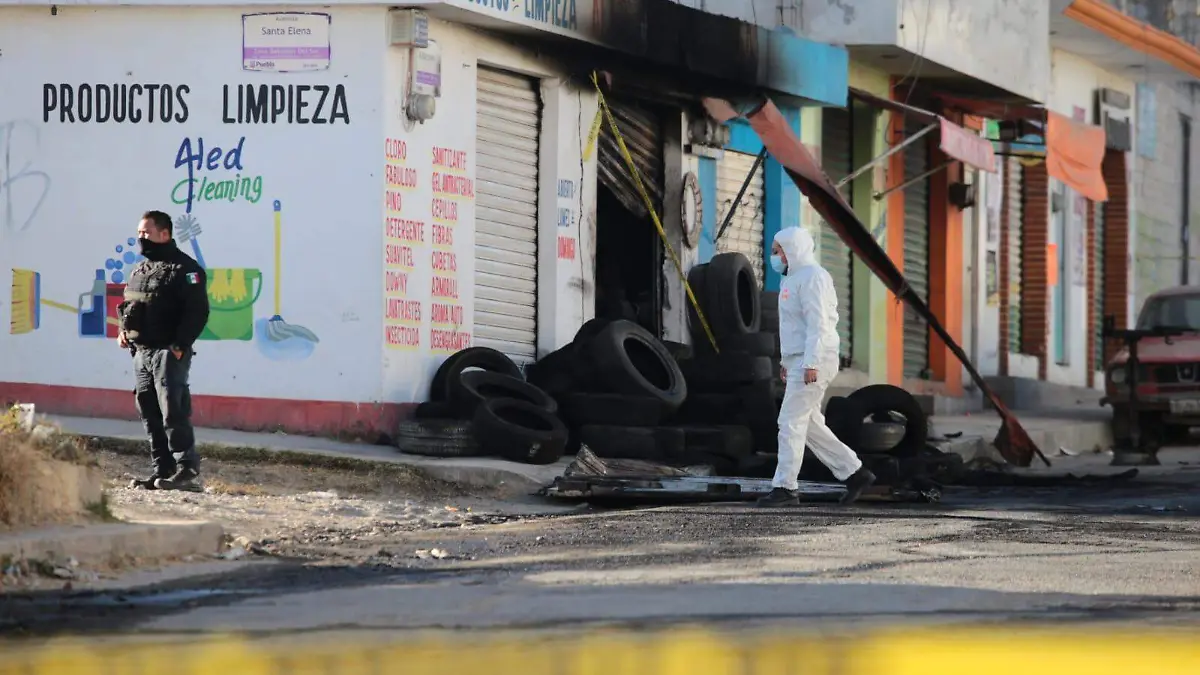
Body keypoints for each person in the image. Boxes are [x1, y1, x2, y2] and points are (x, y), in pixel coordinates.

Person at [757, 226, 876, 507]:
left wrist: (810, 362)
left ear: (793, 249)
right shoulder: (792, 280)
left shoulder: (814, 277)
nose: (774, 256)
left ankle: (785, 487)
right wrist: (788, 362)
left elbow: (819, 325)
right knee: (808, 423)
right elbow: (791, 328)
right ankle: (855, 473)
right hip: (801, 359)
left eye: (778, 250)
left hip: (816, 359)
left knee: (789, 421)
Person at [117, 211, 209, 492]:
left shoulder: (186, 270)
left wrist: (180, 345)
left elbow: (198, 312)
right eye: (139, 233)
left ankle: (187, 469)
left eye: (146, 233)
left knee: (172, 410)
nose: (140, 238)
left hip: (169, 352)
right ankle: (163, 469)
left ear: (165, 234)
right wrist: (123, 331)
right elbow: (129, 305)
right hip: (141, 352)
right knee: (148, 410)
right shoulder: (140, 270)